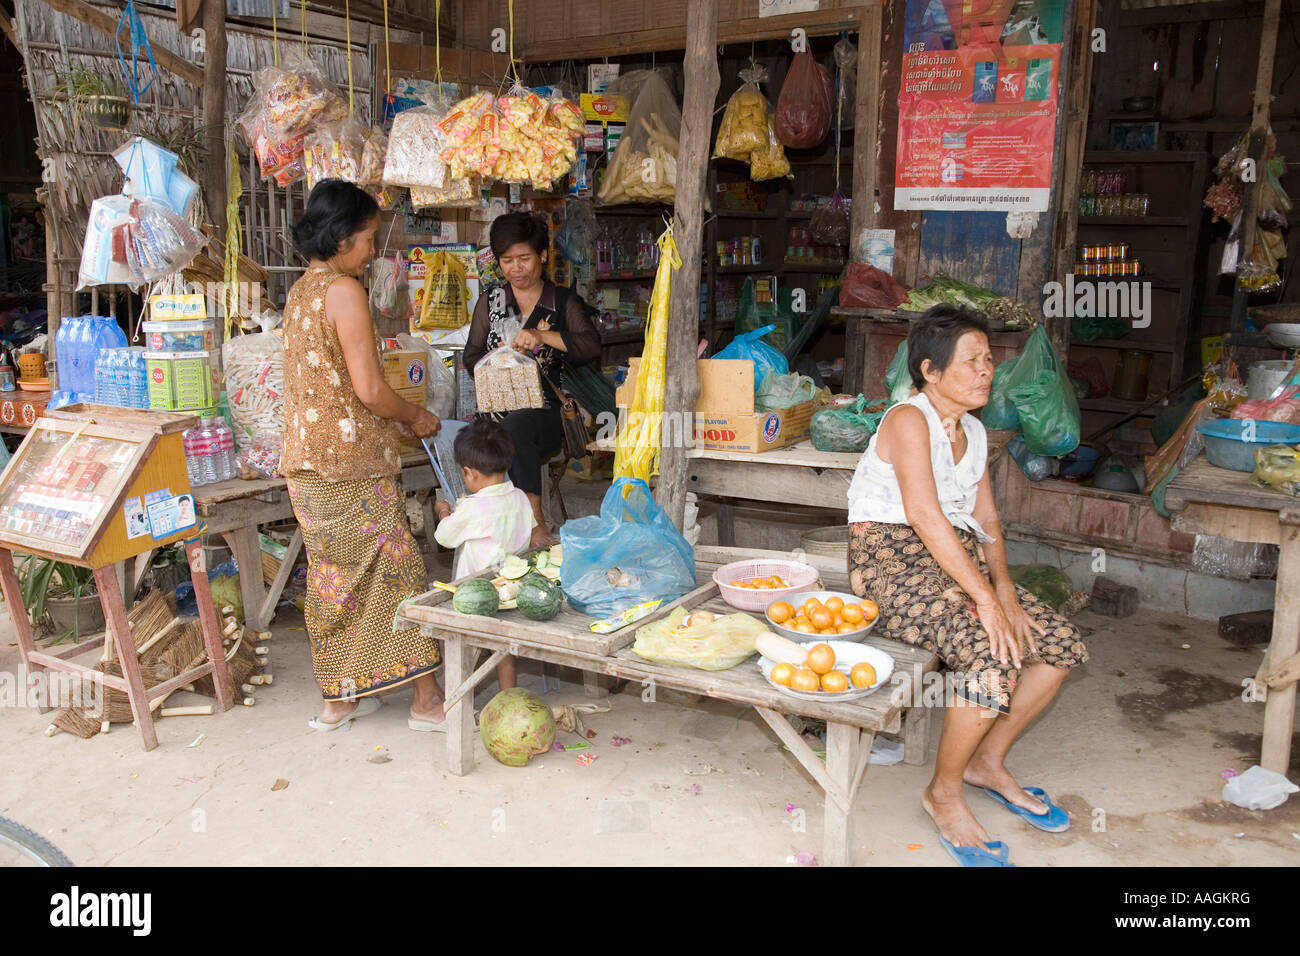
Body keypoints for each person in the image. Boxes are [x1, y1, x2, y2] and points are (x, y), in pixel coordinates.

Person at [846, 304, 1089, 866]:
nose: (987, 372)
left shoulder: (976, 431)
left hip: (949, 561)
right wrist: (984, 600)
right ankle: (943, 792)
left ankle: (987, 760)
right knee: (990, 652)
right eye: (973, 362)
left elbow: (988, 523)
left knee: (1058, 644)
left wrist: (1003, 591)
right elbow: (925, 515)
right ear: (931, 371)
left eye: (989, 361)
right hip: (889, 561)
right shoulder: (908, 420)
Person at [282, 178, 448, 733]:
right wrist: (415, 416)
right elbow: (371, 390)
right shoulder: (344, 291)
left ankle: (340, 699)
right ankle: (427, 701)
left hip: (306, 467)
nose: (372, 249)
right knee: (396, 570)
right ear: (342, 235)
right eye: (368, 237)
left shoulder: (301, 290)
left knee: (333, 578)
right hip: (351, 465)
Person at [463, 212, 601, 549]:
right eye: (507, 260)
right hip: (496, 408)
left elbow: (590, 347)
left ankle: (536, 524)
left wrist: (543, 336)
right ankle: (481, 532)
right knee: (468, 439)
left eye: (524, 258)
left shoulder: (561, 302)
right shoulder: (491, 301)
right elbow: (470, 355)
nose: (516, 268)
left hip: (548, 411)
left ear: (542, 255)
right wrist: (497, 363)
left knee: (519, 426)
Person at [433, 418, 535, 690]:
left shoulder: (472, 508)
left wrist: (443, 511)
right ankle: (508, 694)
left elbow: (444, 537)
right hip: (513, 590)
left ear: (469, 473)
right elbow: (529, 530)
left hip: (476, 596)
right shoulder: (521, 498)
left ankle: (460, 696)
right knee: (503, 650)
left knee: (464, 646)